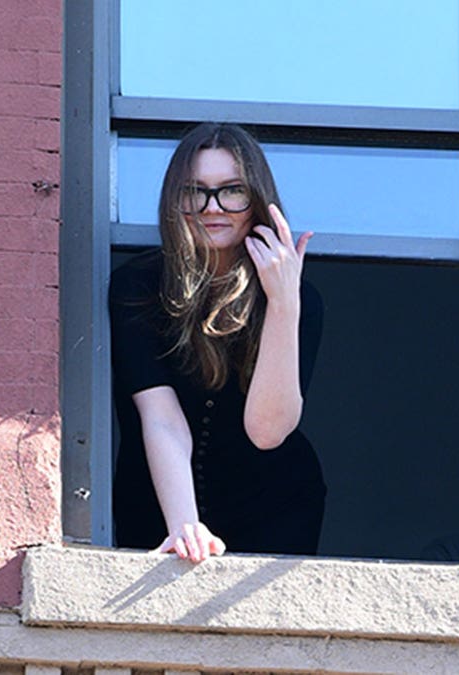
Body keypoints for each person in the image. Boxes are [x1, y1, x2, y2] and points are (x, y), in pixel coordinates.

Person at [109, 122, 326, 563]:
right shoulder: (139, 283)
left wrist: (284, 302)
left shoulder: (300, 298)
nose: (214, 207)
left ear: (257, 200)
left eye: (232, 191)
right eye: (196, 191)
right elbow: (161, 416)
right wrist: (185, 525)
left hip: (275, 510)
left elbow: (268, 432)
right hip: (158, 506)